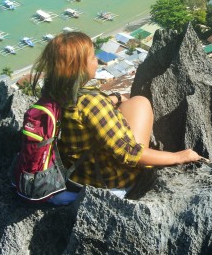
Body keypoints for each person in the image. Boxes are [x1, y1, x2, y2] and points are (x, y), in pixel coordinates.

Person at [33, 31, 202, 200]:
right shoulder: (90, 103)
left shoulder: (54, 93)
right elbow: (129, 153)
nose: (96, 61)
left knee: (134, 102)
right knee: (140, 103)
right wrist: (178, 157)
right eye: (92, 58)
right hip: (109, 183)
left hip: (75, 174)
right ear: (79, 67)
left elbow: (84, 116)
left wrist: (115, 98)